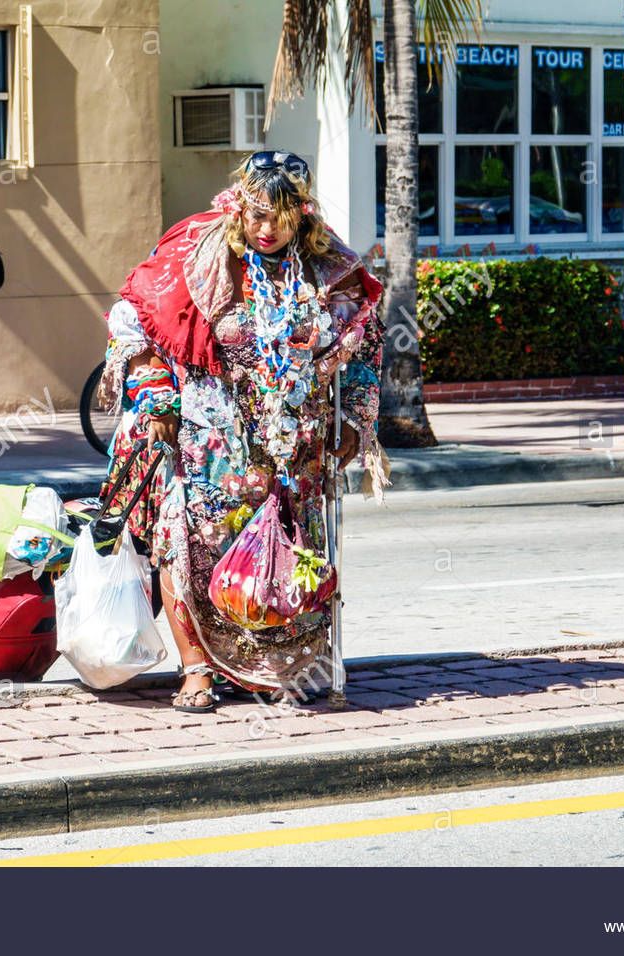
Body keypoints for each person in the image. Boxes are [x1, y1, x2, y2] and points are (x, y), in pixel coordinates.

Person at [98, 150, 389, 712]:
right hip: (210, 443)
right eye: (255, 214)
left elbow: (362, 346)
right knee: (188, 545)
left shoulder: (332, 268)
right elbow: (134, 316)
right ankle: (197, 670)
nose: (264, 228)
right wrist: (155, 393)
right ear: (239, 207)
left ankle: (270, 669)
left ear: (301, 214)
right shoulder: (196, 251)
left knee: (287, 555)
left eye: (278, 217)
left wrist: (353, 415)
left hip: (293, 448)